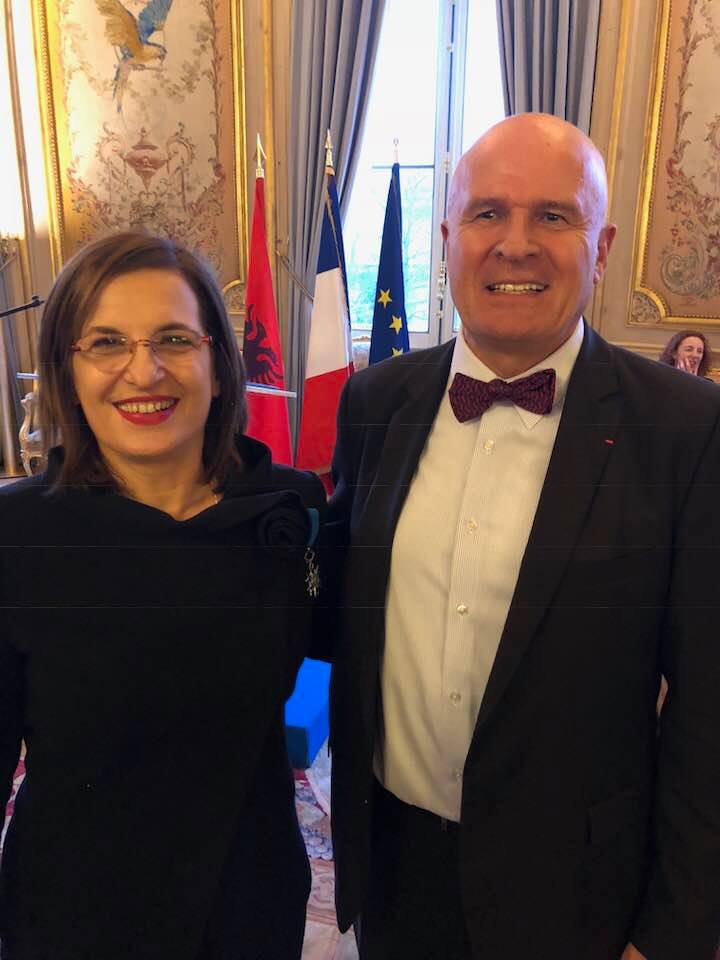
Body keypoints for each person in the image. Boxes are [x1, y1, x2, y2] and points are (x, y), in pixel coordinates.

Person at [326, 113, 720, 960]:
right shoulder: (375, 402)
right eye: (487, 213)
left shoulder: (686, 429)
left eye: (553, 215)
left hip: (577, 891)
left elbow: (709, 708)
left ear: (601, 247)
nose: (515, 244)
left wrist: (673, 933)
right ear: (448, 240)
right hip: (396, 871)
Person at [0, 232, 325, 960]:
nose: (143, 371)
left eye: (174, 339)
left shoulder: (289, 505)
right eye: (106, 343)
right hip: (78, 915)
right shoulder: (16, 536)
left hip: (252, 896)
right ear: (68, 372)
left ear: (218, 364)